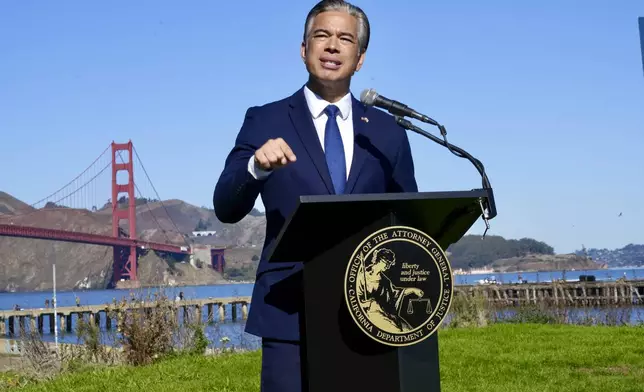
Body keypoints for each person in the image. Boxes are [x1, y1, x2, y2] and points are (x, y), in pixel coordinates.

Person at [213, 1, 417, 391]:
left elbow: (408, 218)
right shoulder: (264, 119)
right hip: (289, 312)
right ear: (303, 49)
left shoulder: (388, 131)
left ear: (359, 59)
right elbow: (226, 205)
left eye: (345, 39)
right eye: (321, 36)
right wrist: (255, 168)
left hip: (372, 313)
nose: (332, 46)